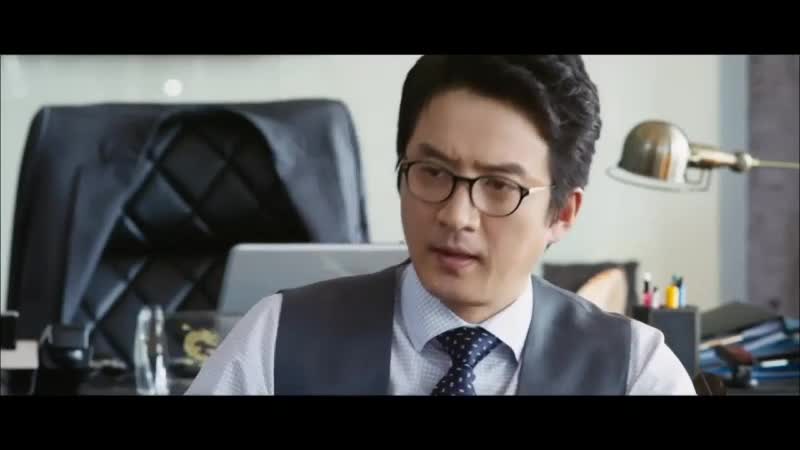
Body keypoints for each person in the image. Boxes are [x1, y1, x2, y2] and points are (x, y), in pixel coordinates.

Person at [186, 55, 696, 395]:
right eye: (432, 173)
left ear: (562, 213)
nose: (456, 215)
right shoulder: (277, 338)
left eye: (499, 186)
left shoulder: (635, 372)